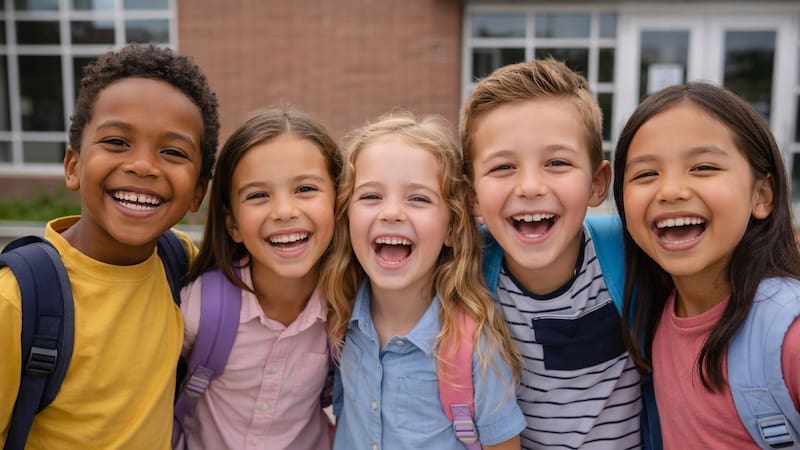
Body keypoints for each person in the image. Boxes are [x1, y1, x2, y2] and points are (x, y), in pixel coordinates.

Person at [0, 44, 219, 448]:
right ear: (73, 167)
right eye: (117, 142)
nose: (143, 166)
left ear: (198, 194)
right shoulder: (15, 302)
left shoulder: (181, 263)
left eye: (172, 152)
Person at [460, 58, 644, 449]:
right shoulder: (463, 273)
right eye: (503, 166)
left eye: (557, 163)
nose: (529, 186)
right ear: (472, 196)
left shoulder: (633, 255)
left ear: (597, 183)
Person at [320, 111, 525, 450]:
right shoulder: (341, 321)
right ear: (346, 215)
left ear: (452, 228)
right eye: (371, 196)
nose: (391, 212)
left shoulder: (477, 346)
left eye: (418, 198)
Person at [612, 82, 800, 448]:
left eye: (703, 167)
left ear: (761, 195)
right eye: (646, 174)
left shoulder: (790, 335)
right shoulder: (654, 315)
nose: (671, 191)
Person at [177, 107, 340, 449]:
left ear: (339, 202)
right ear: (232, 224)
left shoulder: (348, 309)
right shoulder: (200, 309)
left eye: (305, 189)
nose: (284, 211)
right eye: (258, 195)